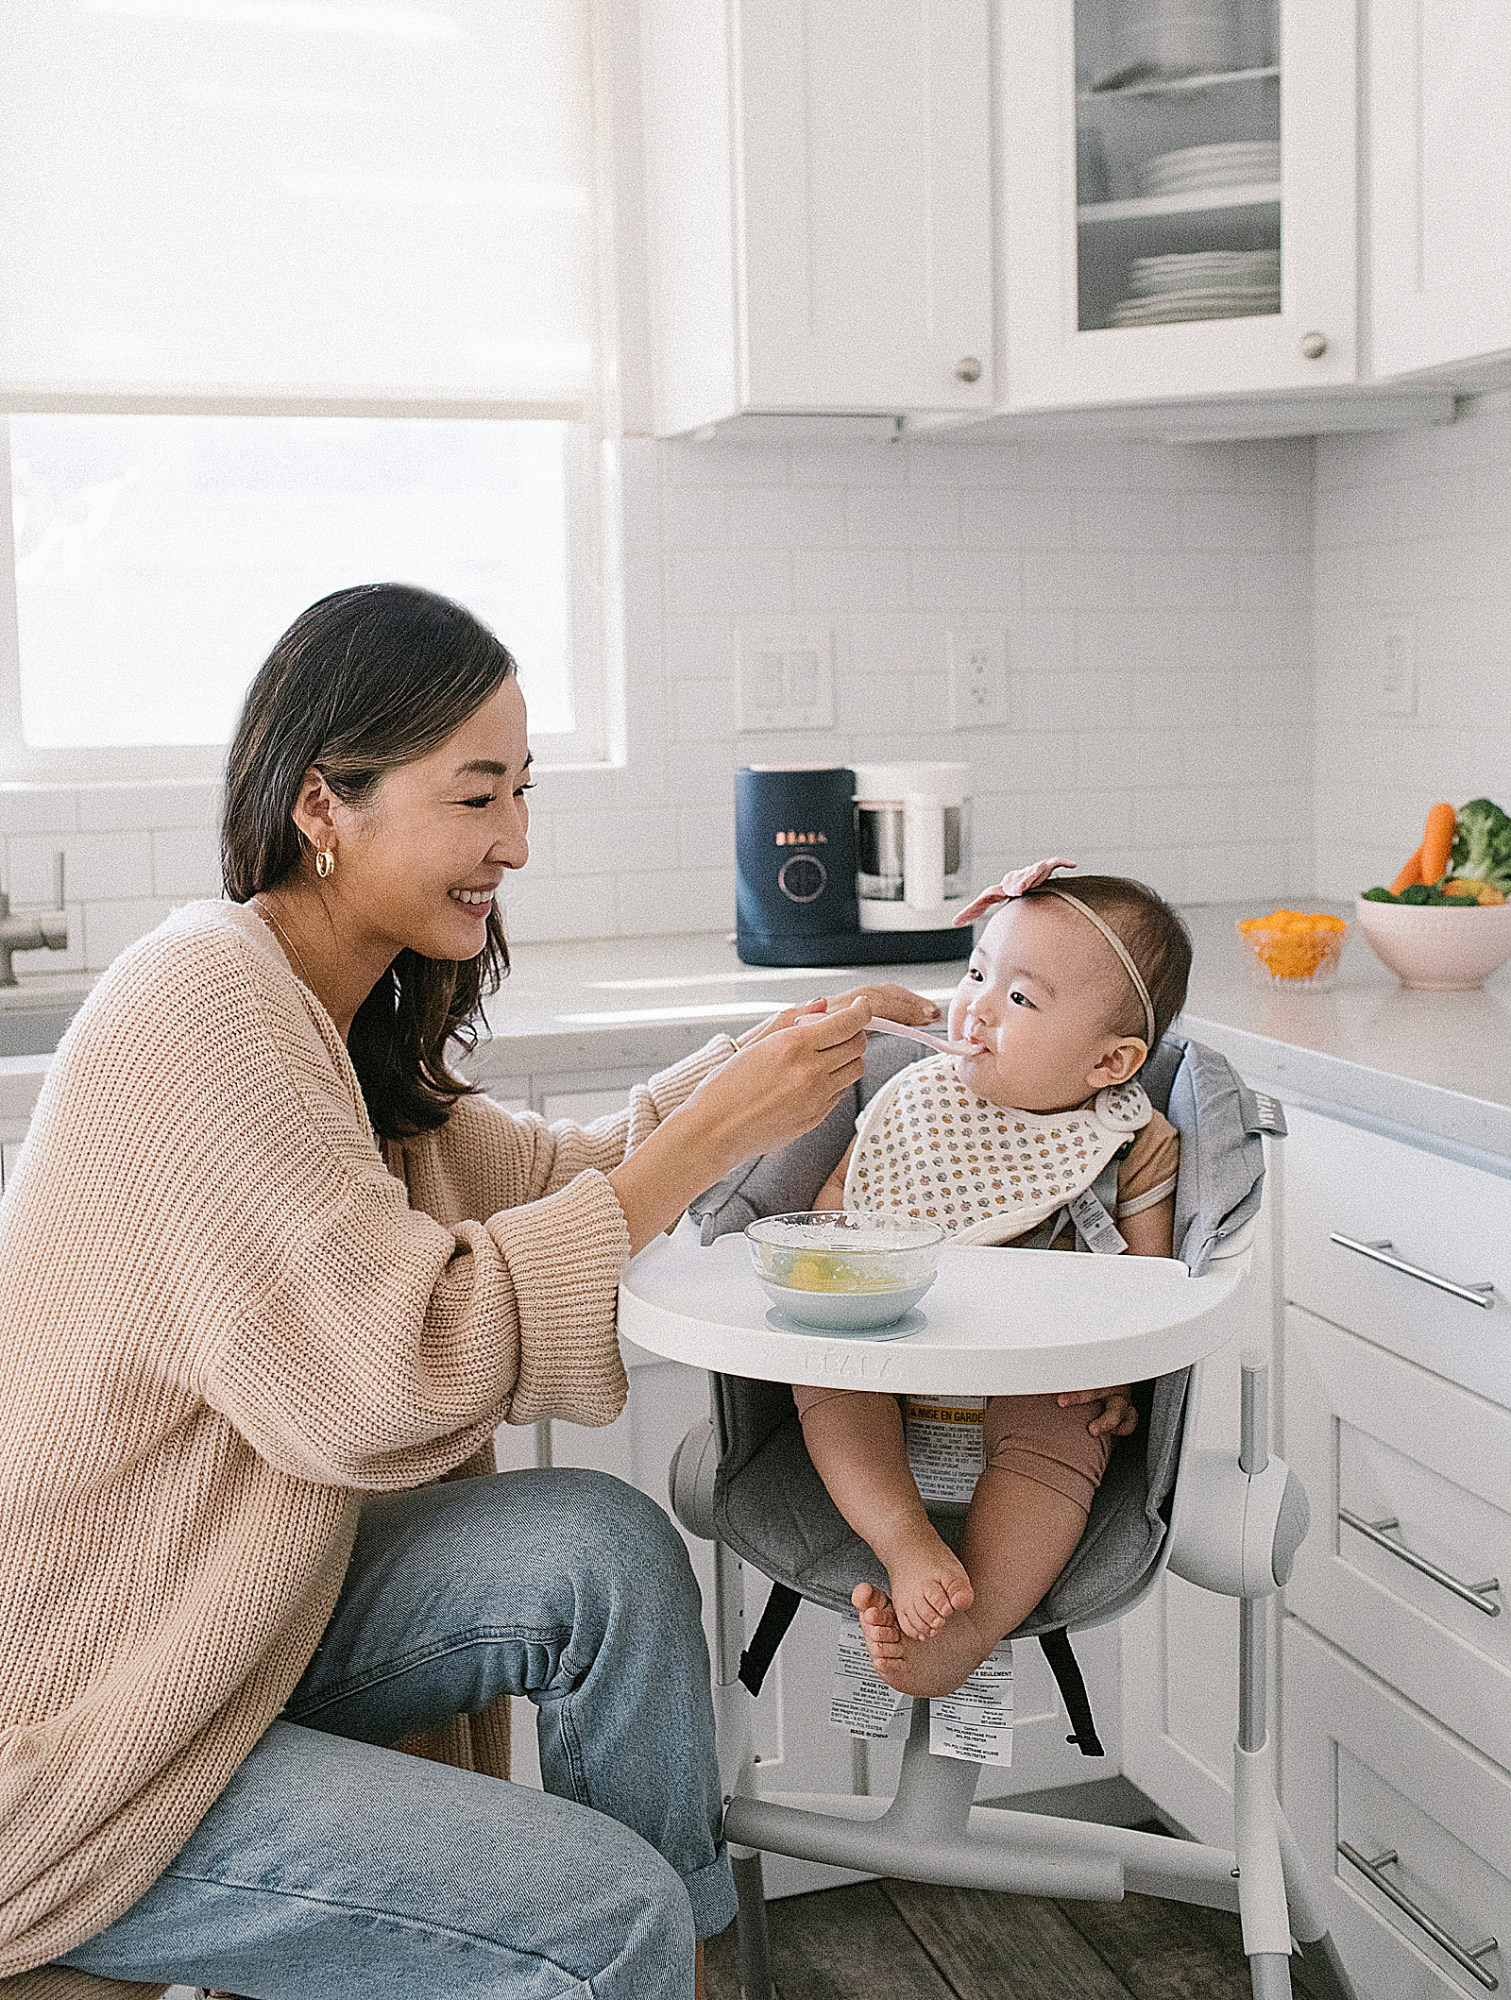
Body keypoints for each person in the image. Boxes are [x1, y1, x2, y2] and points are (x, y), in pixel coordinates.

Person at [0, 582, 939, 2000]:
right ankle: (632, 1957)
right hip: (86, 1734)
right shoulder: (202, 1001)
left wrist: (774, 1059)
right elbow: (389, 1374)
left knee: (600, 1548)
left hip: (218, 1623)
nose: (512, 843)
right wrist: (704, 1136)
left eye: (521, 792)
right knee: (595, 1911)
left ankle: (672, 1977)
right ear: (326, 803)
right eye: (475, 795)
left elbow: (563, 1175)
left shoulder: (321, 1010)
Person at [793, 860, 1193, 1700]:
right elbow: (842, 1206)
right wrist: (829, 1279)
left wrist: (1115, 1376)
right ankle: (907, 1542)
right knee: (823, 1383)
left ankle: (970, 1628)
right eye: (977, 971)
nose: (973, 1005)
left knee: (1063, 1432)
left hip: (1034, 1374)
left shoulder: (1129, 1142)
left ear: (1110, 1061)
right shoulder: (915, 1099)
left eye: (1019, 998)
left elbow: (1146, 1288)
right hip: (889, 1349)